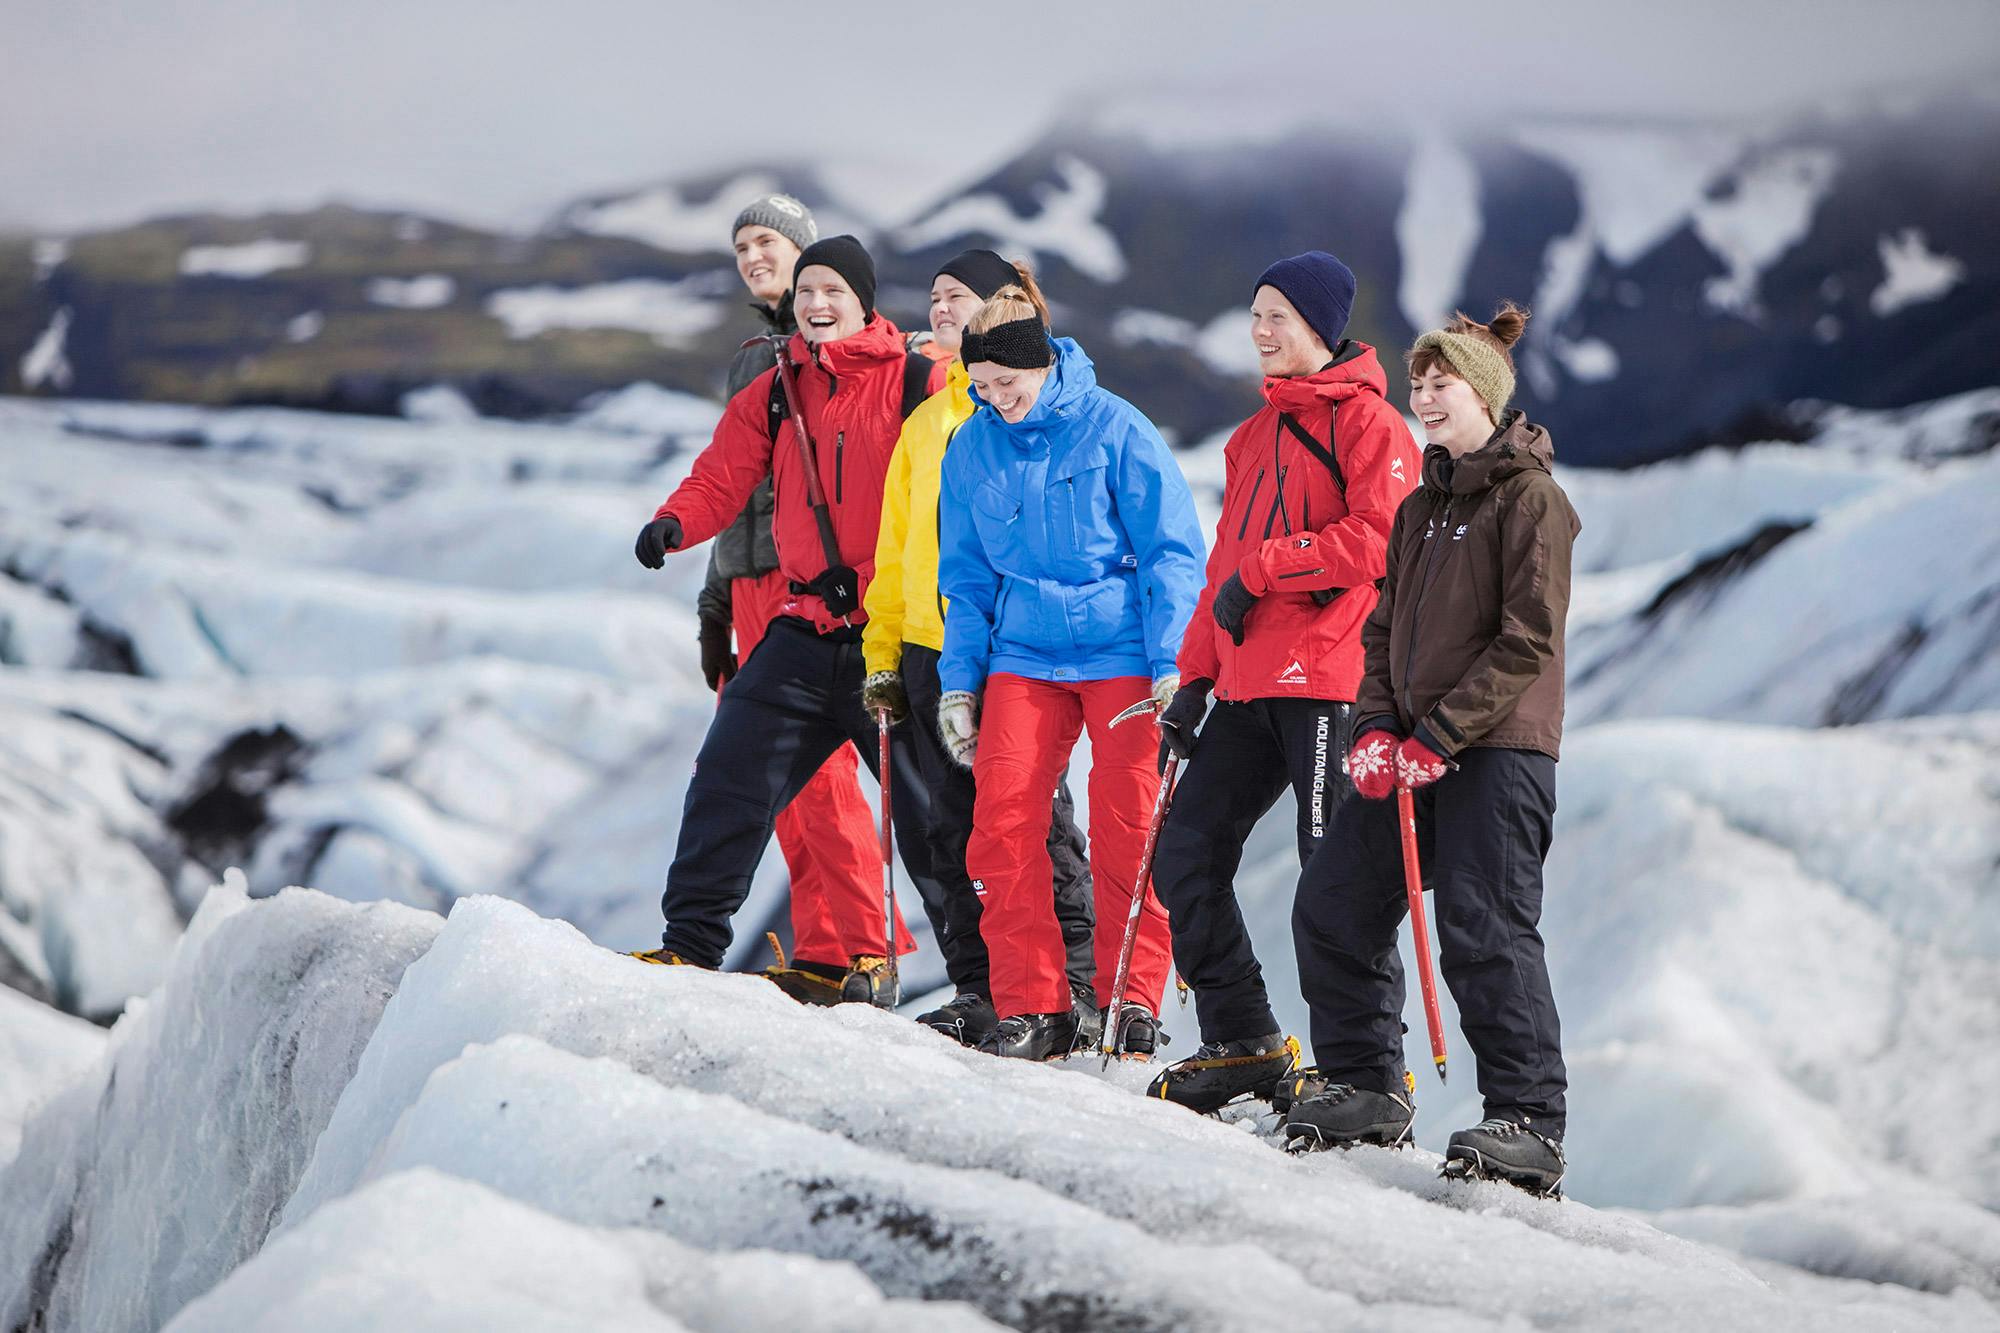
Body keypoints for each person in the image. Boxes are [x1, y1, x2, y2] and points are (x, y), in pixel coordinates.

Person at [1283, 302, 1578, 1197]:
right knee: (1331, 903)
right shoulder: (1420, 509)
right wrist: (1376, 730)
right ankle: (1367, 1085)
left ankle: (1529, 1119)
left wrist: (1441, 734)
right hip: (1410, 750)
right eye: (1417, 383)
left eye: (1440, 382)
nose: (1423, 396)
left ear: (1483, 395)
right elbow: (1380, 636)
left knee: (1484, 928)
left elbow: (1529, 638)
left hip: (1499, 749)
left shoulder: (1532, 499)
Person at [632, 234, 947, 1001]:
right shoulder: (778, 387)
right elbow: (723, 471)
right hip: (802, 630)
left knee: (934, 821)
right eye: (807, 293)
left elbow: (954, 500)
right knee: (729, 777)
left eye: (833, 291)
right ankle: (690, 946)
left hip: (892, 639)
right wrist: (676, 523)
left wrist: (872, 583)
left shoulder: (917, 380)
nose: (816, 304)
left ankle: (984, 984)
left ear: (863, 300)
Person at [1142, 252, 1420, 1113]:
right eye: (1255, 315)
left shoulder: (1373, 427)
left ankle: (1369, 1075)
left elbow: (1379, 539)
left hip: (1334, 674)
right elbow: (1222, 572)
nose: (1260, 332)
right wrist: (1193, 679)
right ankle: (1245, 1039)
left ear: (1321, 329)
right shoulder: (1251, 438)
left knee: (1336, 871)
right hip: (1250, 684)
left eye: (1278, 317)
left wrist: (1268, 566)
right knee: (1182, 851)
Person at [936, 283, 1205, 1061]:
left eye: (1004, 383)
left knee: (1130, 823)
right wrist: (962, 680)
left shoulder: (1117, 429)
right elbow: (966, 576)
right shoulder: (972, 446)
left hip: (1122, 653)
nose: (994, 400)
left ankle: (1132, 998)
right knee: (1002, 821)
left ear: (1039, 363)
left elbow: (1171, 554)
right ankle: (1035, 1005)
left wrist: (1172, 665)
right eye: (979, 387)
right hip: (1024, 656)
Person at [861, 250, 1099, 1049]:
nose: (935, 311)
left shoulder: (1037, 405)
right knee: (948, 828)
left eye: (952, 297)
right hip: (934, 650)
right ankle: (984, 988)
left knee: (1032, 819)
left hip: (1016, 648)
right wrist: (884, 653)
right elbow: (895, 548)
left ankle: (1075, 984)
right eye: (930, 299)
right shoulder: (928, 423)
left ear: (999, 307)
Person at [685, 194, 894, 1005]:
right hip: (753, 581)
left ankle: (858, 947)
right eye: (740, 245)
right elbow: (732, 486)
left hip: (812, 587)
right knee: (776, 786)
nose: (751, 256)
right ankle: (821, 947)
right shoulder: (755, 358)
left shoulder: (844, 351)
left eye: (766, 240)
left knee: (824, 778)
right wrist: (714, 600)